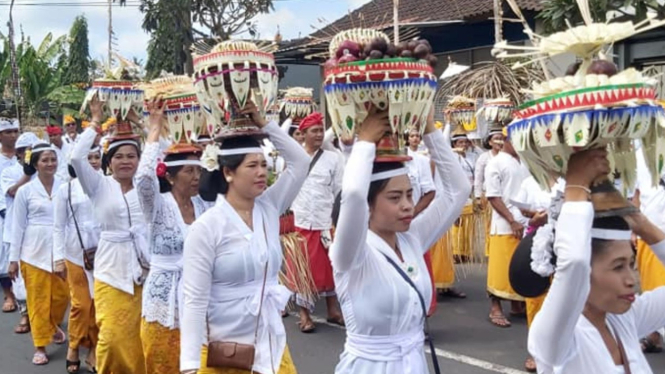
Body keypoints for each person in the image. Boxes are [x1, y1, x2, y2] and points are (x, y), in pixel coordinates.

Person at [330, 108, 470, 374]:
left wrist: (429, 128)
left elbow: (458, 191)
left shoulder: (411, 239)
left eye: (409, 194)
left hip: (414, 364)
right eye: (395, 198)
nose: (408, 206)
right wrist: (364, 143)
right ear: (368, 207)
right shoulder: (351, 254)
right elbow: (354, 195)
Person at [179, 101, 308, 374]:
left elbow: (300, 162)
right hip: (226, 352)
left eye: (264, 164)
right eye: (252, 166)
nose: (262, 172)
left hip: (269, 343)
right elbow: (194, 299)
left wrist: (264, 123)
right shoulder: (206, 228)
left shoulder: (269, 207)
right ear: (228, 172)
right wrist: (189, 367)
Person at [528, 148, 665, 373]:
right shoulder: (557, 337)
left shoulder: (626, 318)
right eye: (618, 266)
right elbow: (573, 263)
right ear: (585, 273)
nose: (632, 279)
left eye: (631, 265)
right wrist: (576, 185)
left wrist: (642, 225)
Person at [71, 96, 149, 374]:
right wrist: (95, 121)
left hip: (147, 270)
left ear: (140, 160)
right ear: (108, 161)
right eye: (118, 156)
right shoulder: (98, 186)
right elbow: (76, 157)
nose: (125, 161)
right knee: (112, 338)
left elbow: (164, 150)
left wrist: (141, 122)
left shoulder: (148, 185)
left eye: (132, 156)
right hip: (109, 269)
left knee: (144, 337)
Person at [137, 98, 211, 374]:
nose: (196, 177)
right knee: (163, 367)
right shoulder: (157, 205)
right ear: (169, 177)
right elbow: (143, 180)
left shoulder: (205, 207)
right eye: (189, 171)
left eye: (198, 171)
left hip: (199, 298)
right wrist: (154, 129)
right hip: (162, 300)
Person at [7, 142, 69, 366]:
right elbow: (18, 226)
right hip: (33, 252)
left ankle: (51, 326)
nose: (50, 164)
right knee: (38, 301)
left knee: (62, 297)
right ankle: (40, 345)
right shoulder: (25, 191)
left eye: (53, 159)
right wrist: (13, 260)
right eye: (45, 160)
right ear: (35, 164)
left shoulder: (65, 187)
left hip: (62, 251)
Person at [290, 112, 344, 332]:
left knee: (330, 267)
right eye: (314, 131)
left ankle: (332, 310)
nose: (319, 135)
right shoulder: (294, 158)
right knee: (304, 268)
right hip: (301, 220)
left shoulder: (334, 158)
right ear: (303, 135)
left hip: (323, 221)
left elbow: (337, 188)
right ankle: (304, 315)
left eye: (321, 130)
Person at [53, 146, 103, 373]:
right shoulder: (67, 189)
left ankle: (94, 349)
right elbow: (58, 226)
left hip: (105, 255)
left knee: (99, 306)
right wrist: (58, 258)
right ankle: (73, 346)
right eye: (87, 158)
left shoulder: (109, 184)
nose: (92, 162)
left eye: (96, 158)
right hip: (75, 255)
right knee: (81, 305)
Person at [485, 131, 530, 328]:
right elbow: (493, 196)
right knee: (500, 269)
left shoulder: (525, 162)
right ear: (507, 140)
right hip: (504, 225)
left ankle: (517, 304)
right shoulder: (495, 162)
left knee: (520, 266)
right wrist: (512, 220)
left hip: (526, 222)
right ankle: (495, 307)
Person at [1, 132, 39, 334]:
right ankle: (25, 314)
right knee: (20, 277)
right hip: (17, 231)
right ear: (19, 153)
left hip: (40, 233)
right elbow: (12, 191)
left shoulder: (47, 171)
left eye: (33, 150)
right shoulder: (9, 171)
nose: (30, 154)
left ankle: (48, 318)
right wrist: (27, 173)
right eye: (26, 151)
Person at [0, 118, 19, 314]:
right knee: (3, 257)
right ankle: (9, 295)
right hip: (2, 212)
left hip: (23, 212)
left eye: (15, 131)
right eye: (8, 132)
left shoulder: (24, 156)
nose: (13, 135)